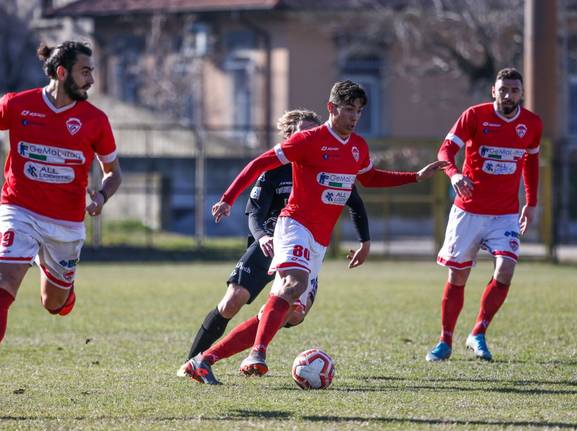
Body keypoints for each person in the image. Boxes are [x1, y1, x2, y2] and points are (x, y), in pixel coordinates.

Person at [185, 80, 447, 384]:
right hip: (294, 224)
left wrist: (415, 176)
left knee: (290, 313)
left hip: (319, 241)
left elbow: (371, 179)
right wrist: (229, 198)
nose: (354, 117)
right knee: (293, 283)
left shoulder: (358, 147)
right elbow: (259, 163)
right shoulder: (309, 140)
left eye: (359, 112)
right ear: (331, 108)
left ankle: (204, 360)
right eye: (348, 110)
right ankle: (257, 353)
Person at [0, 41, 122, 407]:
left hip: (65, 226)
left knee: (55, 304)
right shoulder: (18, 105)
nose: (92, 79)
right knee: (2, 286)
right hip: (17, 210)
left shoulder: (95, 120)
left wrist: (100, 197)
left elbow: (114, 172)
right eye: (86, 71)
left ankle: (56, 280)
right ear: (62, 72)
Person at [177, 109, 372, 377]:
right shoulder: (274, 170)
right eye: (303, 131)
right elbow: (255, 213)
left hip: (306, 246)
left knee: (292, 315)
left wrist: (364, 240)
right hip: (269, 242)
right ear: (290, 136)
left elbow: (356, 202)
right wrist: (263, 236)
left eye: (314, 131)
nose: (311, 136)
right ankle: (192, 361)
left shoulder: (327, 163)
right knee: (232, 301)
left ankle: (217, 357)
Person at [425, 68, 542, 362]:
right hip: (468, 210)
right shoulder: (474, 116)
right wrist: (453, 174)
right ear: (493, 90)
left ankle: (478, 333)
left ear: (521, 93)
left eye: (514, 90)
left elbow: (531, 162)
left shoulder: (531, 124)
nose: (508, 95)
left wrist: (531, 202)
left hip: (505, 214)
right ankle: (445, 341)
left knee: (506, 268)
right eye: (503, 89)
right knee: (459, 275)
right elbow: (445, 150)